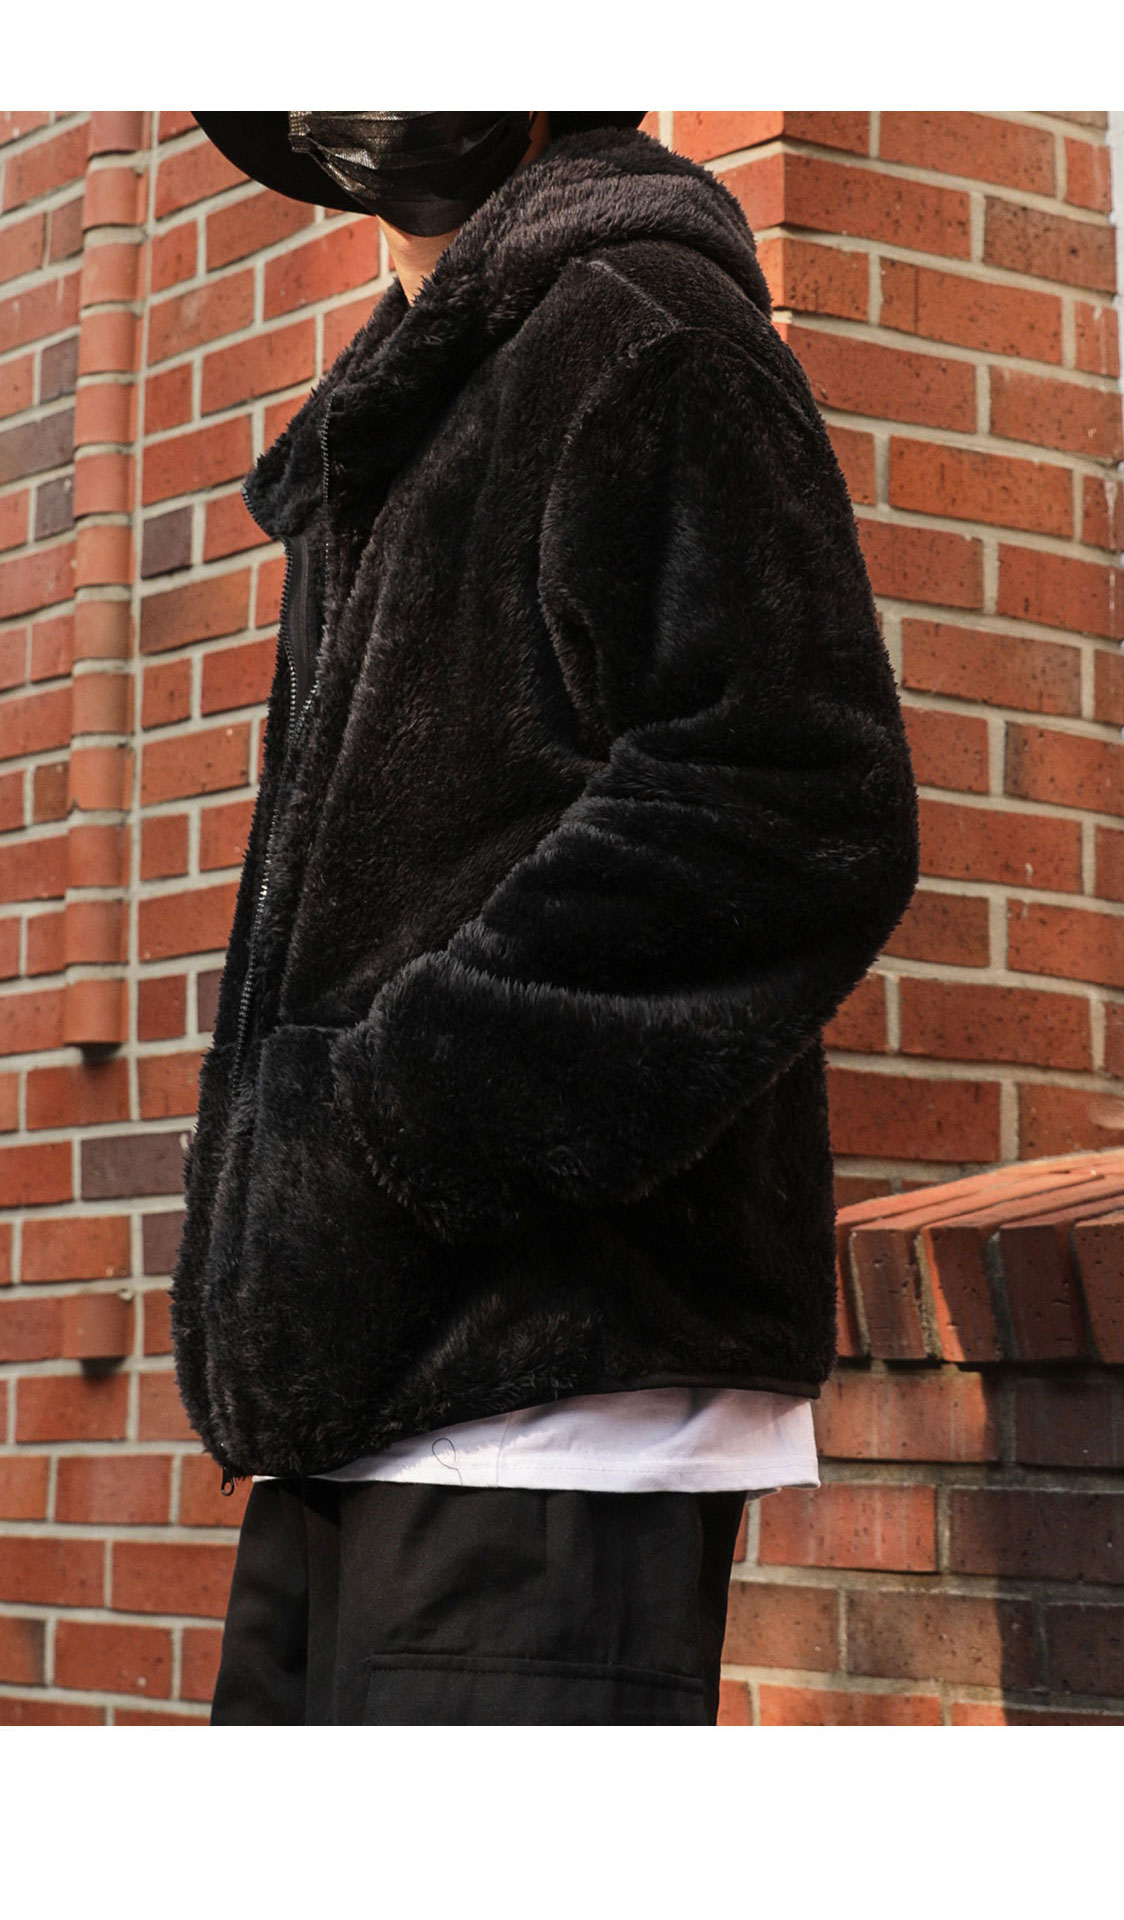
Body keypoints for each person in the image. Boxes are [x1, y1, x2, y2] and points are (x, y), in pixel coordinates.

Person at [175, 109, 920, 1725]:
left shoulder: (644, 330)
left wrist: (407, 1117)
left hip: (555, 1384)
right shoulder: (416, 401)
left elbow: (792, 798)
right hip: (365, 1381)